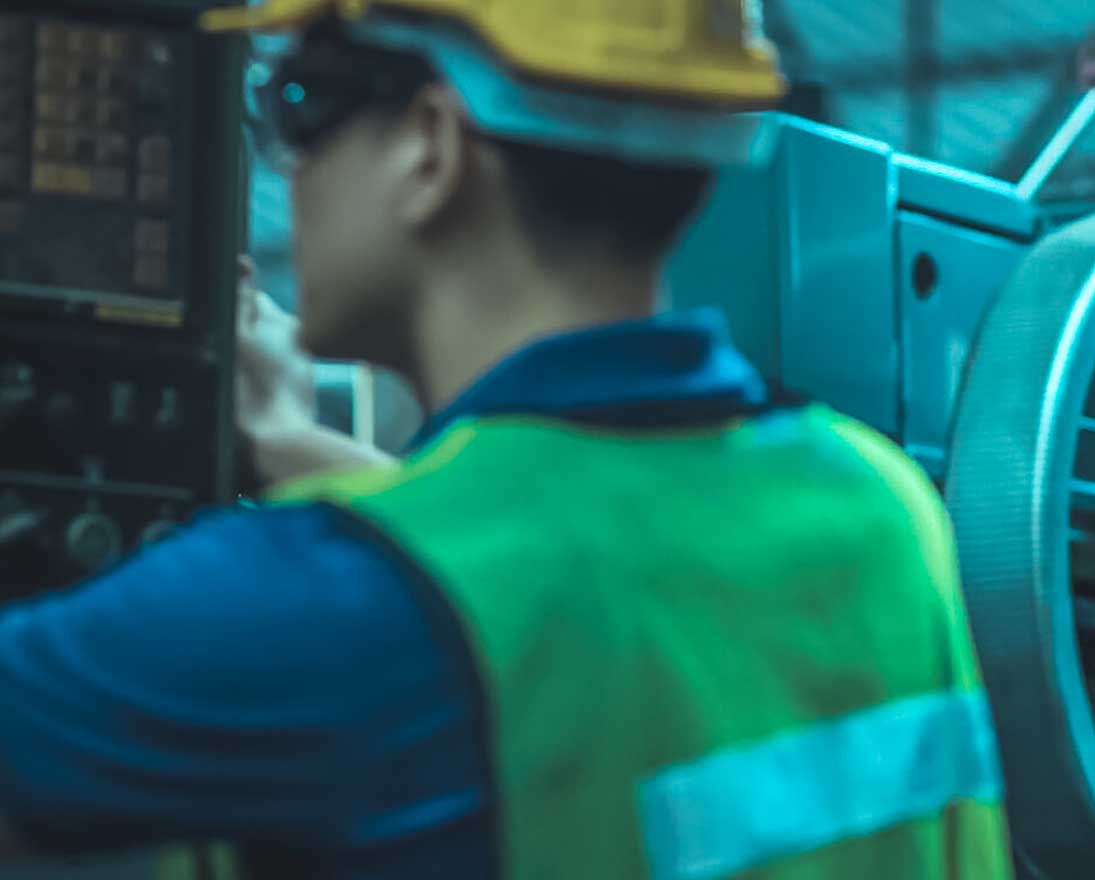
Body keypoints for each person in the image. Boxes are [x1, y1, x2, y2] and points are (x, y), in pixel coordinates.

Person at [0, 1, 1012, 876]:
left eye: (299, 106)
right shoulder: (887, 511)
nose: (289, 168)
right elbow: (585, 557)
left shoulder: (338, 612)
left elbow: (452, 594)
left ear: (435, 145)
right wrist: (286, 442)